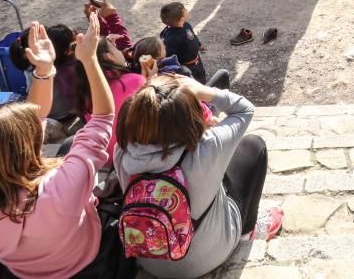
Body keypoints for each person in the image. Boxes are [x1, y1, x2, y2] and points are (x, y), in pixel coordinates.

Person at [0, 16, 118, 278]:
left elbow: (31, 120)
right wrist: (90, 60)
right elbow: (103, 117)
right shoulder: (61, 185)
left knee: (70, 146)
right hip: (91, 261)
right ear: (23, 147)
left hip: (27, 272)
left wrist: (44, 71)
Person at [116, 73, 282, 278]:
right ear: (188, 119)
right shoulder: (208, 148)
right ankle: (247, 232)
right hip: (207, 258)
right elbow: (245, 108)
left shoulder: (122, 152)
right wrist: (204, 91)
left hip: (149, 258)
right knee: (253, 146)